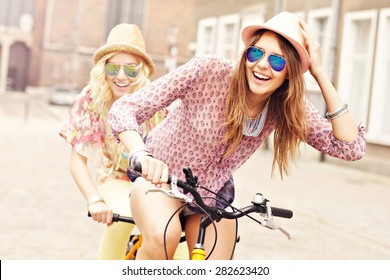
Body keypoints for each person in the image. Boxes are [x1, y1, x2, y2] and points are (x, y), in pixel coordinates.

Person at [107, 12, 366, 260]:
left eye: (277, 61)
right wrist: (142, 154)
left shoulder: (286, 104)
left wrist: (319, 73)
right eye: (256, 52)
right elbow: (126, 109)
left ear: (291, 73)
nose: (263, 64)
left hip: (210, 193)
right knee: (164, 236)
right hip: (160, 179)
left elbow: (350, 148)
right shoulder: (208, 71)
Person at [59, 23, 168, 259]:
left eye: (131, 70)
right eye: (113, 68)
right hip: (115, 175)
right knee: (123, 216)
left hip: (154, 181)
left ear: (142, 72)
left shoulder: (156, 99)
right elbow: (77, 160)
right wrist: (94, 199)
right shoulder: (92, 97)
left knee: (174, 239)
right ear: (103, 68)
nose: (120, 77)